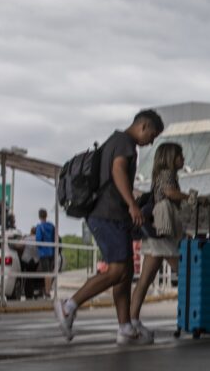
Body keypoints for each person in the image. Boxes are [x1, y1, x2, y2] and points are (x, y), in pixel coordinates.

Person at [54, 109, 163, 345]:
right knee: (116, 270)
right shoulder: (125, 143)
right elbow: (117, 171)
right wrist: (133, 205)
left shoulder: (113, 141)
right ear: (143, 126)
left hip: (112, 215)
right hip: (107, 215)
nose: (151, 141)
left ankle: (125, 327)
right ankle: (68, 306)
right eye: (152, 135)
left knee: (125, 273)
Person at [129, 143, 192, 342]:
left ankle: (130, 321)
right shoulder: (167, 174)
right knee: (185, 273)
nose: (183, 159)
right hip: (163, 235)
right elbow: (170, 193)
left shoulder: (161, 174)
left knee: (145, 280)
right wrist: (193, 198)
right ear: (170, 157)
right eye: (180, 156)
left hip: (155, 233)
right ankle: (194, 315)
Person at [36, 209, 56, 298]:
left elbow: (38, 240)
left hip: (43, 253)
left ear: (39, 216)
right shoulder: (51, 226)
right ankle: (48, 289)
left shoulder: (40, 227)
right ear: (46, 215)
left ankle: (47, 292)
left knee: (46, 272)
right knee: (50, 272)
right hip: (52, 251)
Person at [21, 227, 41, 299]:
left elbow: (19, 245)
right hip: (35, 260)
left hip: (26, 260)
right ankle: (32, 293)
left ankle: (27, 294)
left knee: (27, 278)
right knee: (32, 278)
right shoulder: (39, 239)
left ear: (31, 231)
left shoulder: (27, 238)